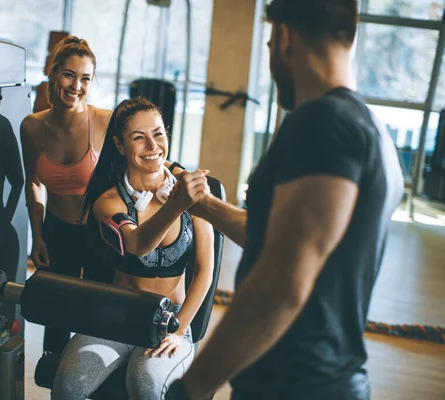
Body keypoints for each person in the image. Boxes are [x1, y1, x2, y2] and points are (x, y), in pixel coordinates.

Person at [166, 1, 405, 399]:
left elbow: (282, 282)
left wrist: (192, 388)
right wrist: (203, 204)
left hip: (297, 386)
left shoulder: (323, 124)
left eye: (269, 41)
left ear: (285, 37)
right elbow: (282, 236)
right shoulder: (371, 130)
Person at [51, 97, 215, 399]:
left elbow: (205, 271)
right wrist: (178, 205)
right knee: (68, 386)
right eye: (139, 137)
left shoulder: (192, 194)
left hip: (171, 320)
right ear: (119, 144)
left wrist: (179, 332)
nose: (153, 145)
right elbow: (137, 244)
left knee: (146, 385)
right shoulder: (109, 202)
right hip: (117, 316)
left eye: (158, 133)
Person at [20, 36, 113, 355]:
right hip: (57, 231)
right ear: (53, 72)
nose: (76, 85)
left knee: (98, 320)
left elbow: (138, 169)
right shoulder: (32, 127)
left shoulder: (105, 121)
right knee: (56, 319)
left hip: (101, 233)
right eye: (69, 74)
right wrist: (38, 235)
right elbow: (33, 182)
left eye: (85, 78)